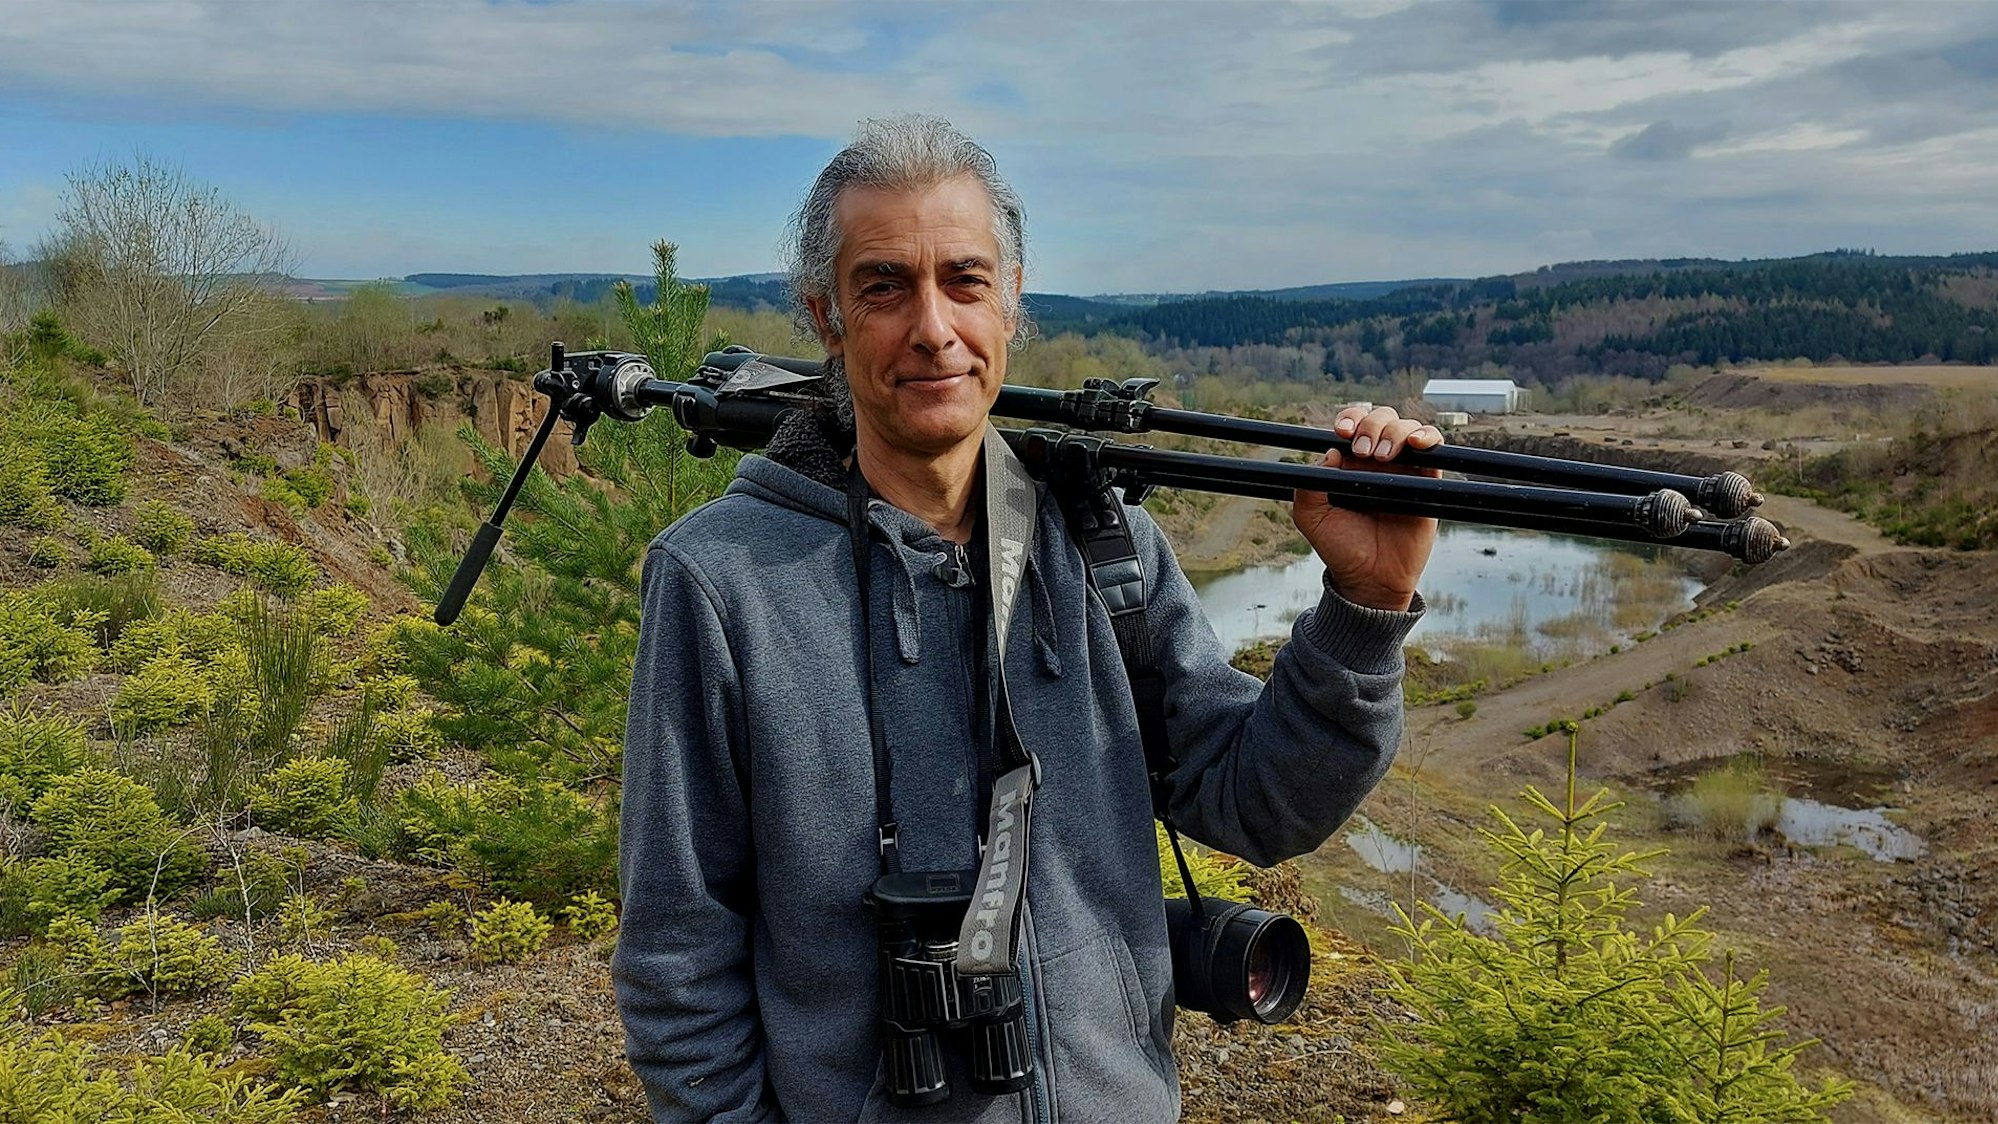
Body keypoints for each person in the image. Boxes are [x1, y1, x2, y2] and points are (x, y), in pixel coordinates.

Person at [613, 115, 1441, 1123]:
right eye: (884, 286)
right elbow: (676, 952)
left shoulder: (1104, 544)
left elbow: (1259, 800)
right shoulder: (722, 579)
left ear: (1012, 304)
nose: (932, 327)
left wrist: (1368, 602)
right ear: (826, 318)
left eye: (964, 280)